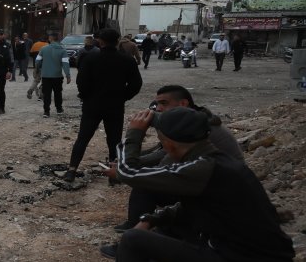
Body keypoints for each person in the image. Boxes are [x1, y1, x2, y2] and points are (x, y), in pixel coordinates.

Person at [87, 107, 294, 262]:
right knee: (168, 221)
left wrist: (133, 135)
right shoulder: (218, 161)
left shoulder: (201, 168)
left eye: (162, 142)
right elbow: (190, 207)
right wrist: (151, 218)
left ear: (171, 145)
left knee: (133, 240)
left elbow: (130, 174)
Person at [107, 85, 243, 235]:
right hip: (212, 195)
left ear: (183, 104)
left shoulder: (199, 141)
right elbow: (164, 152)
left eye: (163, 103)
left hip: (217, 213)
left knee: (146, 184)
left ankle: (136, 230)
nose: (157, 109)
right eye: (157, 104)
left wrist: (133, 137)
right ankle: (139, 229)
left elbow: (162, 161)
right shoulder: (196, 123)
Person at [64, 28, 142, 181]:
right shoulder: (127, 60)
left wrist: (86, 96)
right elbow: (136, 84)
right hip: (115, 106)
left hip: (92, 105)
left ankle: (71, 170)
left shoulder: (90, 58)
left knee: (83, 138)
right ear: (118, 40)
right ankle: (114, 174)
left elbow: (81, 82)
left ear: (100, 41)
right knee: (114, 139)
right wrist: (123, 97)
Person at [37, 32, 72, 117]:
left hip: (46, 76)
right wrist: (68, 75)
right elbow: (65, 64)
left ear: (50, 39)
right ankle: (59, 109)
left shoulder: (43, 49)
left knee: (47, 94)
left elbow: (37, 61)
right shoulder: (62, 50)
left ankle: (46, 111)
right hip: (57, 76)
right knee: (58, 93)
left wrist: (38, 69)